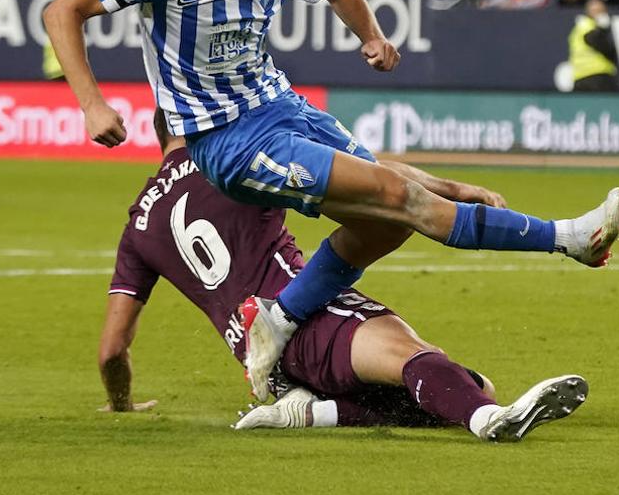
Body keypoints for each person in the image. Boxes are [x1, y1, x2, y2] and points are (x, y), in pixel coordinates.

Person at [44, 0, 619, 403]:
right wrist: (92, 103)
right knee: (400, 198)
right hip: (228, 139)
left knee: (387, 220)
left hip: (283, 107)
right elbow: (62, 9)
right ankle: (568, 239)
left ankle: (279, 319)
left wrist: (371, 36)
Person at [99, 110, 588, 441]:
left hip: (259, 356)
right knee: (419, 362)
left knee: (464, 382)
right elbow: (372, 179)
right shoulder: (231, 163)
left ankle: (313, 411)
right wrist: (451, 188)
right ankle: (490, 422)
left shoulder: (137, 224)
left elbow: (111, 350)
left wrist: (121, 404)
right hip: (309, 311)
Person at [568, 0, 619, 91]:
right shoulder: (587, 25)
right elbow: (593, 39)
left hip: (580, 76)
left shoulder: (580, 27)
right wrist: (602, 28)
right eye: (597, 11)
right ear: (589, 12)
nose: (601, 14)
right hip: (597, 75)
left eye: (602, 11)